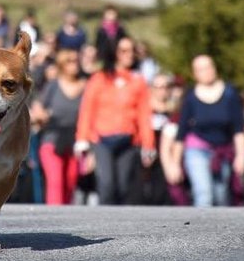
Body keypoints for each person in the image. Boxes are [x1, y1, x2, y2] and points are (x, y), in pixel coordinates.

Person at [75, 36, 156, 205]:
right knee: (107, 185)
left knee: (124, 186)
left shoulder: (138, 80)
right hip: (102, 140)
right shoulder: (99, 78)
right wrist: (82, 139)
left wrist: (148, 144)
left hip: (128, 141)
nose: (129, 55)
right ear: (115, 53)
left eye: (132, 50)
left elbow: (144, 114)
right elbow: (87, 110)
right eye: (124, 51)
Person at [174, 55, 244, 207]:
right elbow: (181, 132)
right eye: (201, 69)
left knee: (221, 196)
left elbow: (239, 128)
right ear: (195, 74)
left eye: (208, 67)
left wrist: (241, 156)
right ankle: (201, 231)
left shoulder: (229, 94)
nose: (206, 72)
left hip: (223, 151)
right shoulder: (191, 97)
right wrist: (175, 163)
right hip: (197, 149)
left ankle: (220, 230)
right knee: (204, 194)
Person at [31, 50, 86, 205]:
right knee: (55, 181)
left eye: (76, 60)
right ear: (62, 64)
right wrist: (41, 114)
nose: (74, 63)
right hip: (53, 139)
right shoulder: (53, 86)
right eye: (70, 60)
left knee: (71, 181)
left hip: (76, 140)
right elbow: (39, 107)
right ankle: (54, 218)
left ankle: (66, 218)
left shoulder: (85, 85)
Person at [143, 73, 175, 205]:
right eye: (158, 87)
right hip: (147, 153)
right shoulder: (144, 110)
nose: (162, 90)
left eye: (165, 87)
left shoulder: (175, 111)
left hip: (168, 156)